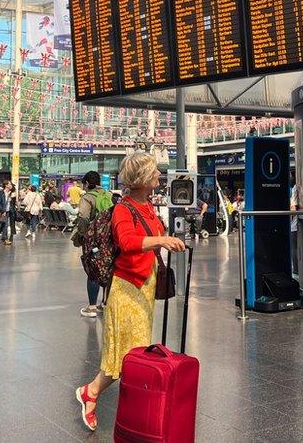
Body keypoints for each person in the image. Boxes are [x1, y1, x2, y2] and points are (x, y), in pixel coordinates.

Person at [75, 152, 185, 431]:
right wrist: (161, 239)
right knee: (126, 354)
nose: (159, 176)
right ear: (143, 179)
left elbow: (151, 239)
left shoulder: (148, 207)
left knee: (133, 353)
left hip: (144, 288)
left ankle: (122, 405)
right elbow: (127, 241)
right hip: (127, 290)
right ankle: (92, 392)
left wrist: (164, 239)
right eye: (155, 172)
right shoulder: (123, 209)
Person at [72, 171, 113, 318]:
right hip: (108, 238)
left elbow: (83, 218)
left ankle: (91, 306)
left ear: (87, 184)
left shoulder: (87, 197)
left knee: (93, 269)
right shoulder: (108, 195)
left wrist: (82, 235)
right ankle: (105, 302)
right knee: (108, 268)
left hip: (94, 239)